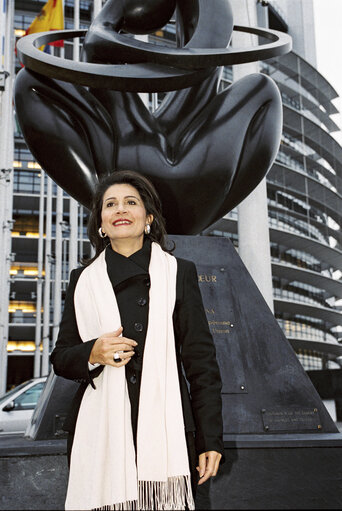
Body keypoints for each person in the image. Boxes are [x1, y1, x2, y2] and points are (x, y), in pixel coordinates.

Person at [51, 170, 224, 511]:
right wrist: (93, 352)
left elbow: (201, 362)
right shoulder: (82, 280)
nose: (120, 210)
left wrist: (210, 439)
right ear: (100, 222)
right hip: (101, 430)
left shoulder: (179, 272)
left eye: (131, 202)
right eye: (110, 204)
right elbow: (61, 357)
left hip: (167, 424)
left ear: (148, 217)